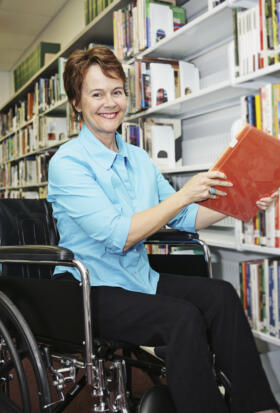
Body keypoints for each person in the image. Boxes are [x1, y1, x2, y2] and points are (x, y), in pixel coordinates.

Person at [47, 45, 279, 413]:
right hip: (88, 288)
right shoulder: (67, 163)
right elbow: (118, 234)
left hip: (137, 278)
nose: (110, 103)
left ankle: (259, 406)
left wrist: (246, 200)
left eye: (117, 91)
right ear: (77, 102)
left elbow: (185, 219)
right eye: (96, 94)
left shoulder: (138, 159)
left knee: (221, 296)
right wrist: (184, 194)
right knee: (180, 317)